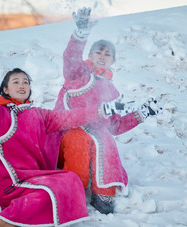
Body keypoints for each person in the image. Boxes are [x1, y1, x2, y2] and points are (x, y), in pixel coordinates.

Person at [0, 68, 126, 227]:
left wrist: (103, 109)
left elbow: (70, 117)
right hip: (8, 184)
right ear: (6, 89)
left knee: (70, 179)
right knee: (53, 191)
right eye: (16, 82)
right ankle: (7, 220)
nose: (22, 85)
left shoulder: (39, 114)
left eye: (26, 82)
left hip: (32, 178)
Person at [52, 7, 162, 214]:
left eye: (107, 53)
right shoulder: (79, 75)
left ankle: (104, 192)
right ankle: (71, 191)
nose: (102, 56)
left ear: (113, 60)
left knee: (106, 137)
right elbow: (70, 59)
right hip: (66, 130)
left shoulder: (111, 91)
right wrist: (80, 34)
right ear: (90, 55)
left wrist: (142, 113)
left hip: (94, 135)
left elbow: (115, 126)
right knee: (80, 140)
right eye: (98, 52)